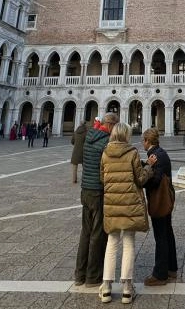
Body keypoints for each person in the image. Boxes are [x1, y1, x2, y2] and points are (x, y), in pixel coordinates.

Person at [98, 122, 152, 304]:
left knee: (111, 244)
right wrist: (149, 167)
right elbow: (141, 179)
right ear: (127, 135)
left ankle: (106, 288)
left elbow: (102, 178)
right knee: (128, 243)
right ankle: (127, 289)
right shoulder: (132, 153)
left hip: (112, 204)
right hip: (129, 205)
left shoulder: (105, 153)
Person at [75, 112, 119, 290]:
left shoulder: (88, 138)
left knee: (85, 233)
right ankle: (93, 276)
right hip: (98, 192)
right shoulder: (106, 142)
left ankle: (80, 274)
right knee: (97, 234)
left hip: (85, 190)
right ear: (111, 125)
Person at [141, 128, 178, 287]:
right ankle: (171, 268)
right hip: (166, 200)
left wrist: (143, 174)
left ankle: (160, 274)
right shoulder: (160, 152)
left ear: (147, 141)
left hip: (159, 201)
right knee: (167, 233)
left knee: (161, 236)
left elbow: (154, 180)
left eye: (144, 140)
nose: (143, 143)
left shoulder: (154, 156)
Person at [71, 119, 90, 184]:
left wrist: (76, 144)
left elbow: (72, 141)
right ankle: (84, 179)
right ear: (85, 124)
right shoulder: (86, 132)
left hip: (75, 151)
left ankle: (74, 179)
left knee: (74, 167)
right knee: (85, 166)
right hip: (84, 151)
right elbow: (88, 141)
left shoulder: (75, 132)